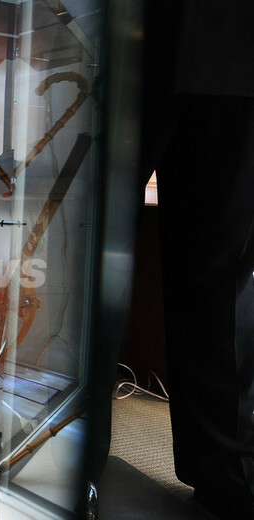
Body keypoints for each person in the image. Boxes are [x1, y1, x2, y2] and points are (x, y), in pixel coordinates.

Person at [85, 2, 254, 519]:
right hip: (142, 35)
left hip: (216, 42)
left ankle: (229, 472)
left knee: (221, 270)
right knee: (95, 258)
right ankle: (73, 464)